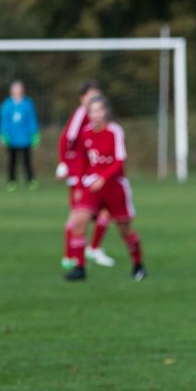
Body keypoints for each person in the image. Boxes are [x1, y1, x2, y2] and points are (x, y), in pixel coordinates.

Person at [63, 95, 145, 282]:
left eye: (99, 110)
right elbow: (82, 161)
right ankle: (80, 267)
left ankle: (138, 264)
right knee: (79, 221)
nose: (96, 115)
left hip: (115, 188)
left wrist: (103, 178)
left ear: (106, 112)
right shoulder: (85, 133)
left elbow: (119, 160)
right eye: (92, 111)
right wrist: (77, 185)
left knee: (125, 230)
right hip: (92, 188)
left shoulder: (114, 131)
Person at [56, 80, 115, 268]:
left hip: (93, 174)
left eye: (98, 94)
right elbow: (68, 139)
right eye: (91, 95)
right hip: (79, 173)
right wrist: (64, 163)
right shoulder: (82, 113)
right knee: (78, 215)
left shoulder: (97, 119)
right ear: (82, 98)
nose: (95, 98)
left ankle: (90, 249)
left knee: (105, 212)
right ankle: (70, 256)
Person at [0, 80, 40, 191]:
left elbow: (32, 120)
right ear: (11, 91)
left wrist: (35, 133)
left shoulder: (28, 103)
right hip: (12, 138)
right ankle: (11, 181)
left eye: (19, 89)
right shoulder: (7, 105)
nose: (18, 92)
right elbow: (4, 121)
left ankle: (30, 180)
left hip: (25, 138)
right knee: (12, 161)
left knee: (27, 161)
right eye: (15, 90)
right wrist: (4, 134)